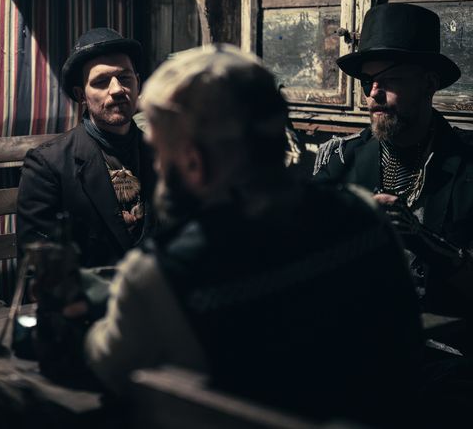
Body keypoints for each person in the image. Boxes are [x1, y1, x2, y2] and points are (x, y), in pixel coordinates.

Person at [84, 44, 424, 424]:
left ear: (194, 161)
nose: (159, 167)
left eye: (161, 153)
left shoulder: (159, 272)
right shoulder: (364, 215)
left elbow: (106, 365)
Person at [313, 3, 473, 363]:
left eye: (389, 80)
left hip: (450, 356)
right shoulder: (338, 160)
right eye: (367, 81)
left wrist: (422, 240)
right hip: (352, 345)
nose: (373, 94)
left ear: (429, 83)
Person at [17, 28, 156, 267]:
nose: (117, 90)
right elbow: (37, 268)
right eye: (101, 82)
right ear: (81, 95)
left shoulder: (163, 152)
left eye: (125, 78)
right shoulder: (48, 166)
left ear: (138, 83)